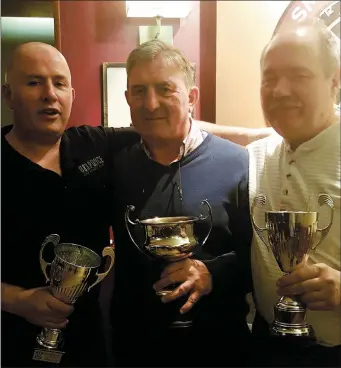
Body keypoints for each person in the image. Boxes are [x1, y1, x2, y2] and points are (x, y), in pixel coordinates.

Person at [202, 19, 341, 367]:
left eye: (299, 75)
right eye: (269, 78)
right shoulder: (257, 155)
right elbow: (204, 132)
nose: (279, 90)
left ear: (334, 82)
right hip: (264, 345)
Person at [109, 39, 254, 367]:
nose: (150, 103)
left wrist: (213, 273)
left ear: (191, 98)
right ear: (127, 98)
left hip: (219, 348)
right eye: (139, 90)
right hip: (136, 350)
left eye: (165, 89)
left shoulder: (237, 163)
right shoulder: (115, 166)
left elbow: (260, 259)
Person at [1, 42, 140, 367]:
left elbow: (168, 128)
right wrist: (16, 300)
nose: (50, 94)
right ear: (8, 95)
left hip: (92, 339)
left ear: (72, 95)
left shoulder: (95, 145)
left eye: (59, 83)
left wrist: (261, 136)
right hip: (12, 341)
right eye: (34, 82)